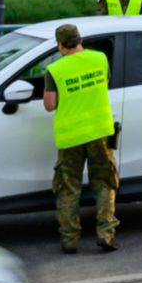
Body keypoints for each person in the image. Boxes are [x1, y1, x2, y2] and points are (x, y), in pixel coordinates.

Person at [42, 23, 118, 254]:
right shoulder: (100, 59)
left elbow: (49, 105)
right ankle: (106, 234)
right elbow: (105, 84)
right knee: (104, 183)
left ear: (60, 44)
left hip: (70, 137)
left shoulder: (54, 70)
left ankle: (70, 240)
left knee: (68, 188)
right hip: (100, 131)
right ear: (80, 40)